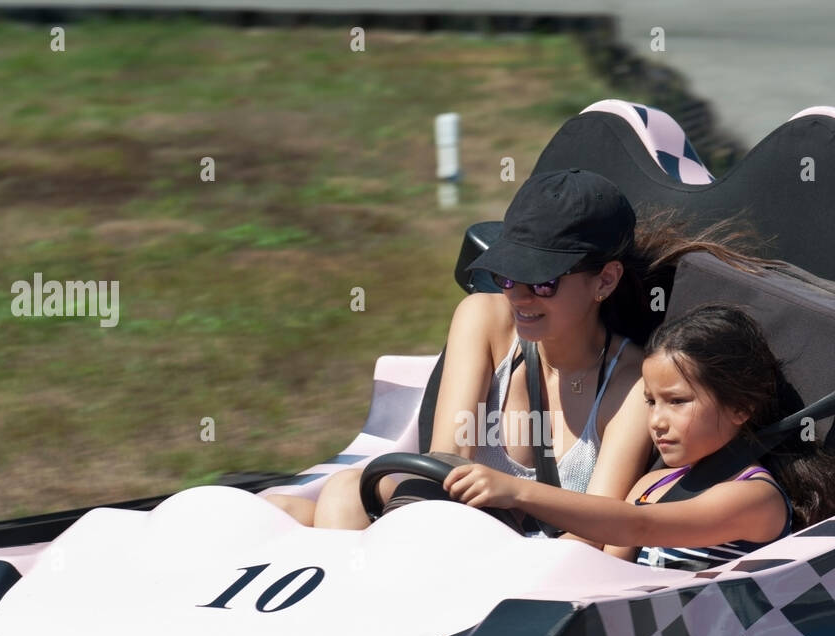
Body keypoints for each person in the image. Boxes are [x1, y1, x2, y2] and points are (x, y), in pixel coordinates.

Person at [265, 167, 770, 535]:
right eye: (509, 276)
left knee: (334, 500)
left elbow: (594, 532)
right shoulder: (484, 319)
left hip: (529, 585)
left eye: (543, 283)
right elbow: (447, 459)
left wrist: (511, 504)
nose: (519, 296)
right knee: (307, 501)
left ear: (605, 281)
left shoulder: (635, 383)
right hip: (445, 534)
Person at [442, 304, 835, 568]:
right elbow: (602, 568)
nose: (657, 422)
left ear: (741, 408)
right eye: (650, 401)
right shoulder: (653, 483)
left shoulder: (754, 497)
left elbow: (637, 526)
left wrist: (517, 492)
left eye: (678, 402)